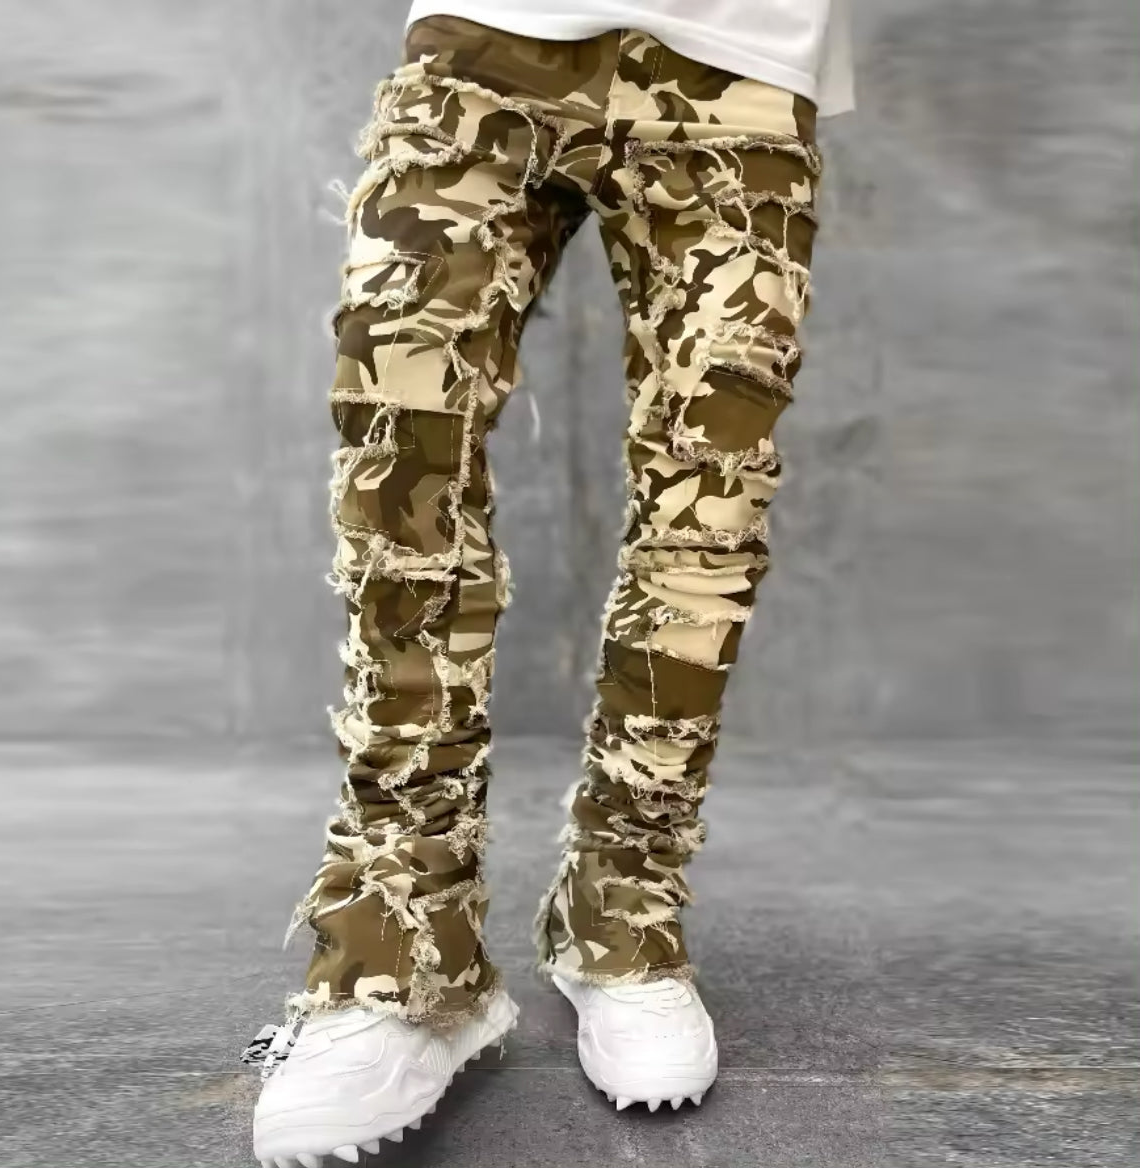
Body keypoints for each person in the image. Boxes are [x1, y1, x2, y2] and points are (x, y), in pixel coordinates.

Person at [248, 2, 855, 1163]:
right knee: (401, 466)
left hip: (742, 59)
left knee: (709, 512)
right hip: (487, 35)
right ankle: (404, 958)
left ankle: (622, 915)